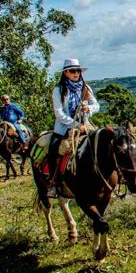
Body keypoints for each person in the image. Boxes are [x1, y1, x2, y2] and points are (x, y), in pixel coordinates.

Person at [47, 58, 99, 187]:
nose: (76, 73)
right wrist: (76, 125)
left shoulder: (85, 88)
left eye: (78, 71)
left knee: (103, 143)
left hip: (85, 124)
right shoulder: (58, 90)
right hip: (64, 127)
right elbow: (59, 113)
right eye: (72, 71)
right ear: (65, 73)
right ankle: (54, 182)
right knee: (53, 149)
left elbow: (96, 105)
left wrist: (89, 109)